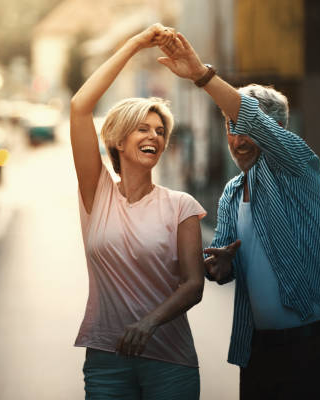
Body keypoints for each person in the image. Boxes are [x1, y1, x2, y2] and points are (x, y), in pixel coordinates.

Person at [157, 32, 320, 399]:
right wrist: (220, 266)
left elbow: (254, 121)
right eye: (230, 127)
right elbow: (225, 268)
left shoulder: (297, 167)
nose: (237, 139)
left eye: (245, 129)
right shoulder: (231, 192)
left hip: (310, 347)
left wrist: (201, 74)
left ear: (275, 133)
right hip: (259, 351)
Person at [70, 24, 206, 399]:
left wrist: (150, 322)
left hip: (169, 361)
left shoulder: (181, 206)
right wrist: (133, 44)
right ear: (118, 139)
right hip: (106, 360)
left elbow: (194, 285)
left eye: (160, 131)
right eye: (142, 129)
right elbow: (80, 107)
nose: (154, 137)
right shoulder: (96, 197)